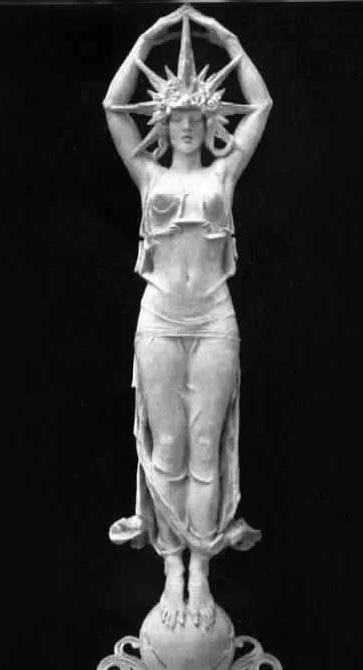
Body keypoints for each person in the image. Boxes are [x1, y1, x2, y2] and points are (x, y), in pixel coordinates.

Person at [104, 4, 272, 632]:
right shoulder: (146, 173)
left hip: (213, 319)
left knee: (206, 447)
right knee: (168, 445)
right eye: (174, 119)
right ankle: (171, 571)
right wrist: (147, 40)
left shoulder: (224, 173)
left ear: (207, 125)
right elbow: (113, 108)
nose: (183, 128)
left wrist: (228, 40)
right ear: (163, 124)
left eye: (194, 119)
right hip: (160, 319)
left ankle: (201, 571)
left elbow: (261, 106)